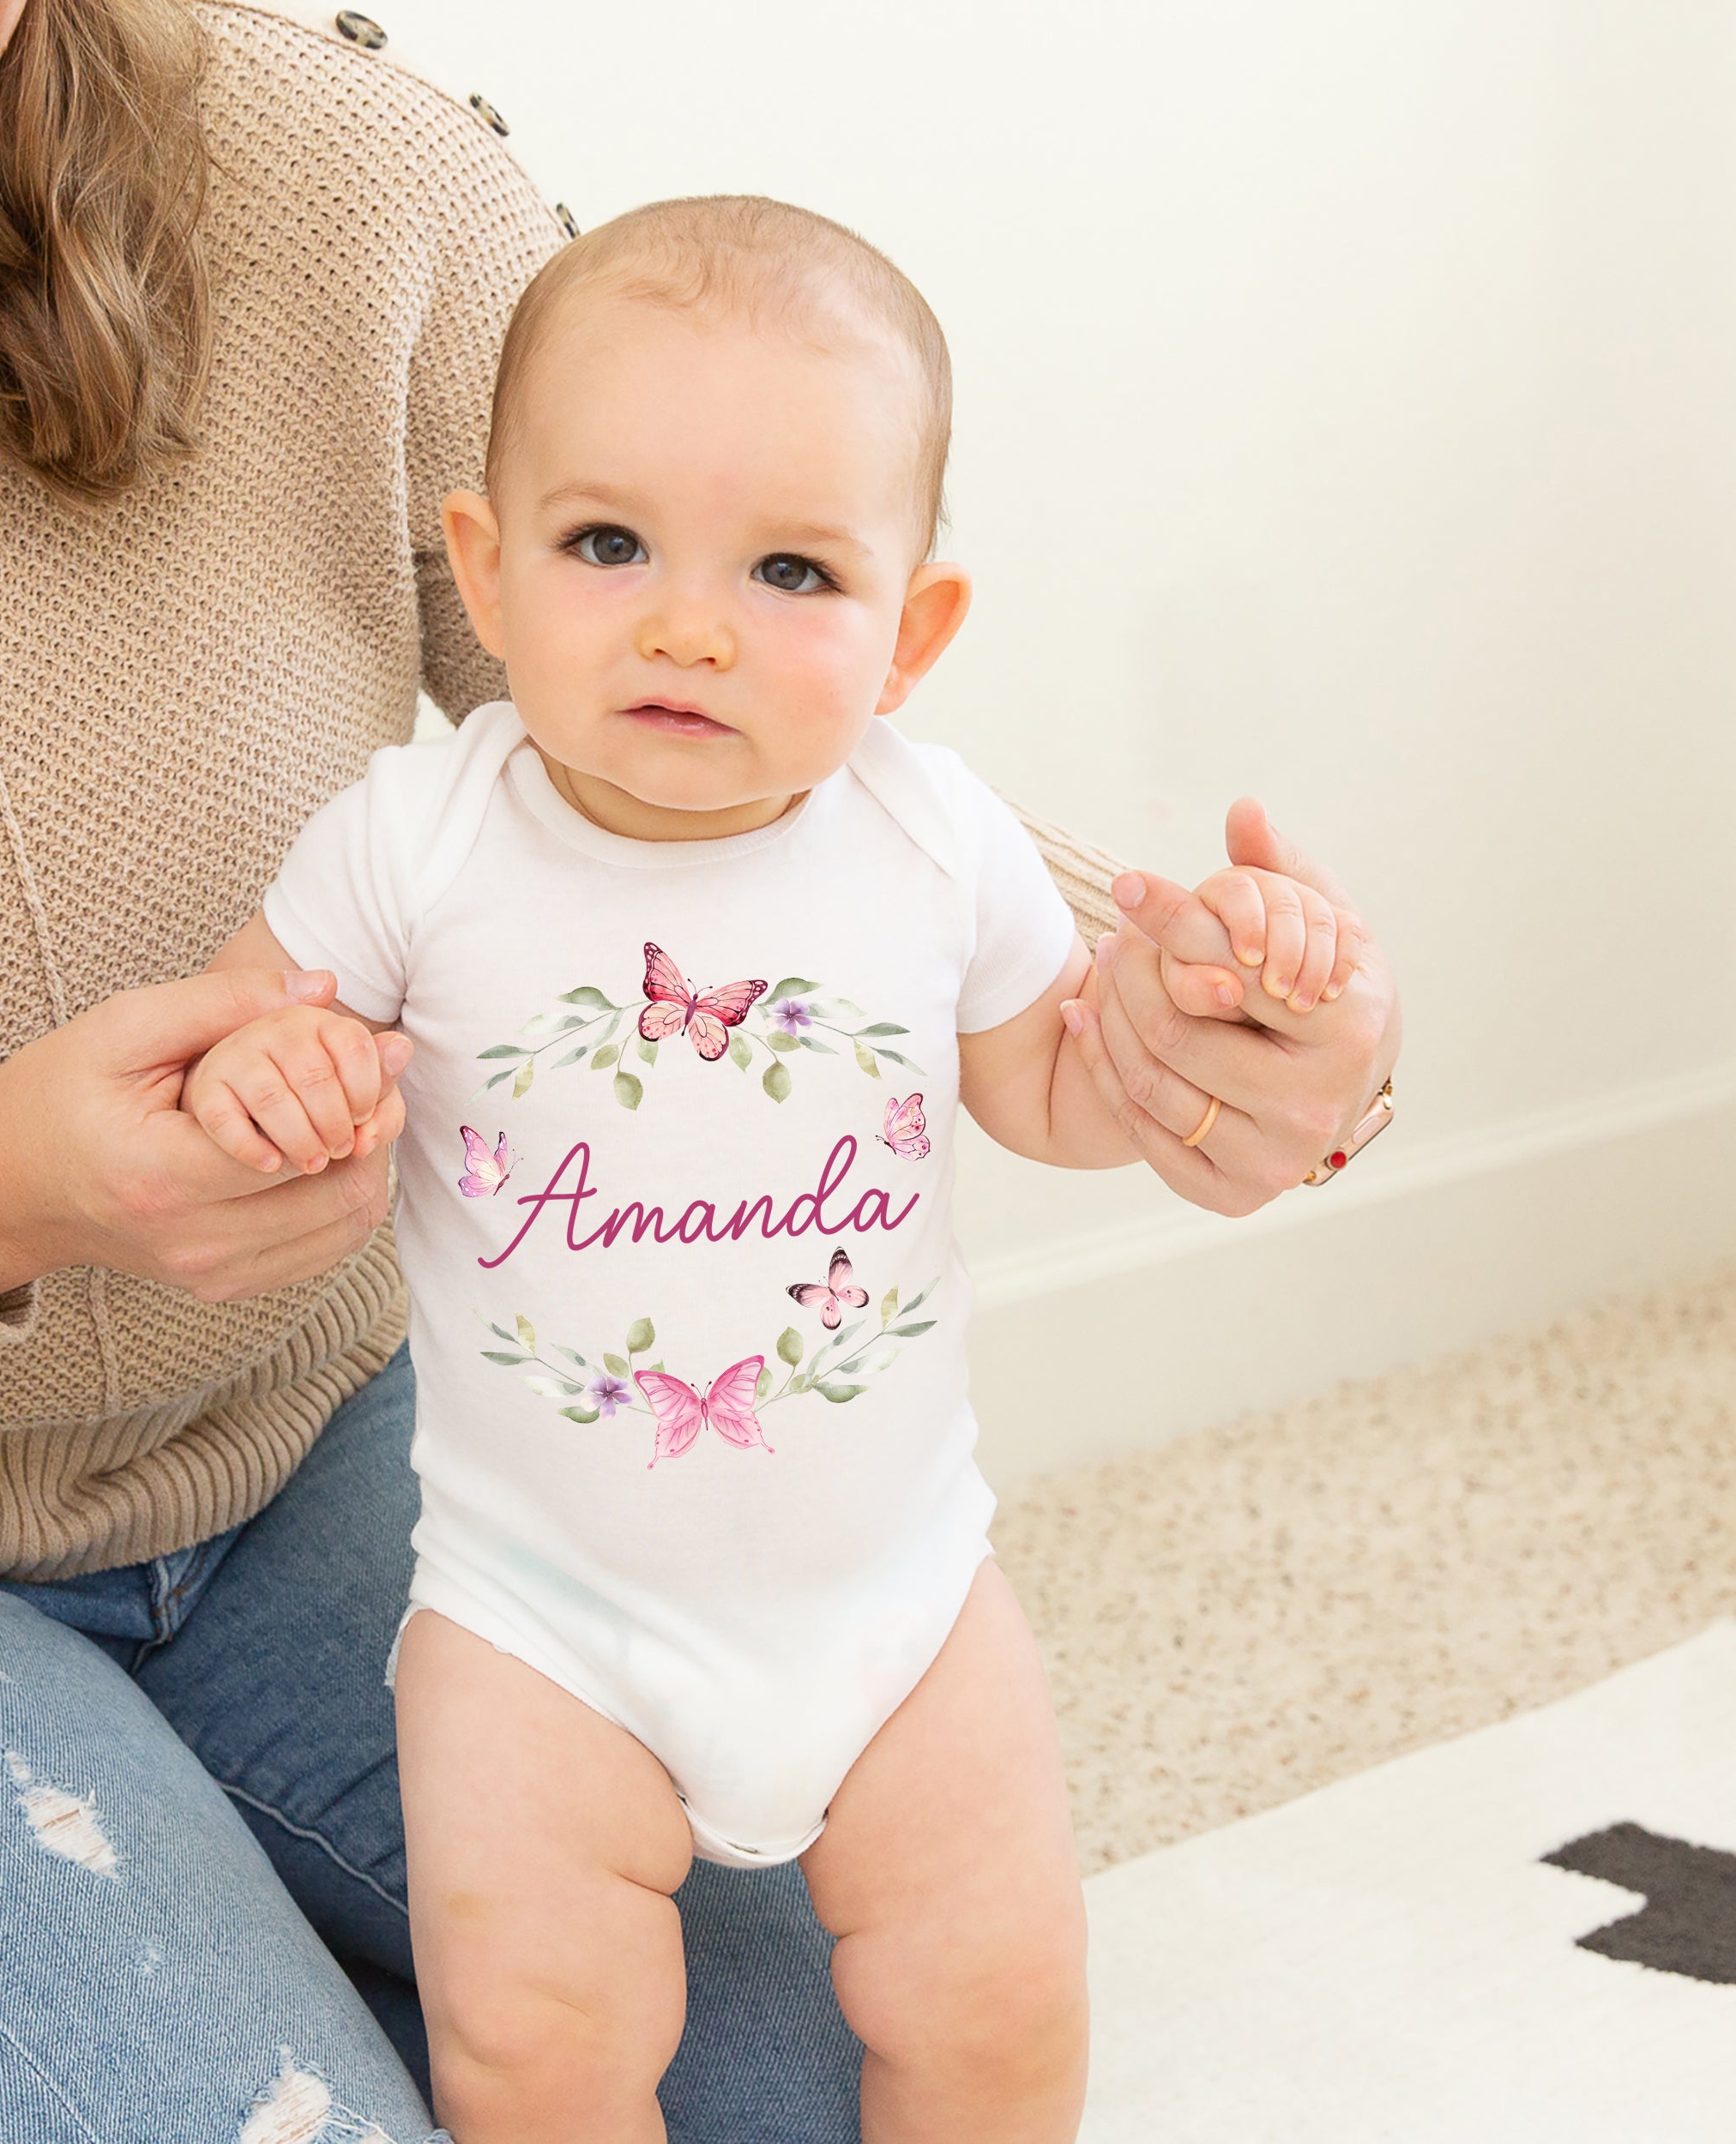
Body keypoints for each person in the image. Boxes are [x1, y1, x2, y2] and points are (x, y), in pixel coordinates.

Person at [0, 6, 1399, 2140]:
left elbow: (754, 712)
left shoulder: (326, 180)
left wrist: (1230, 1036)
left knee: (835, 2073)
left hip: (313, 1458)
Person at [182, 195, 1358, 2144]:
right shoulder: (418, 840)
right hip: (533, 1621)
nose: (687, 620)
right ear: (482, 565)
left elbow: (1051, 1091)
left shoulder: (927, 835)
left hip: (897, 1602)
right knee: (538, 2043)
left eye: (792, 568)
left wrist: (1198, 988)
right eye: (606, 541)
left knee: (992, 2003)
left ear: (913, 634)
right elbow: (237, 1024)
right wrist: (276, 1064)